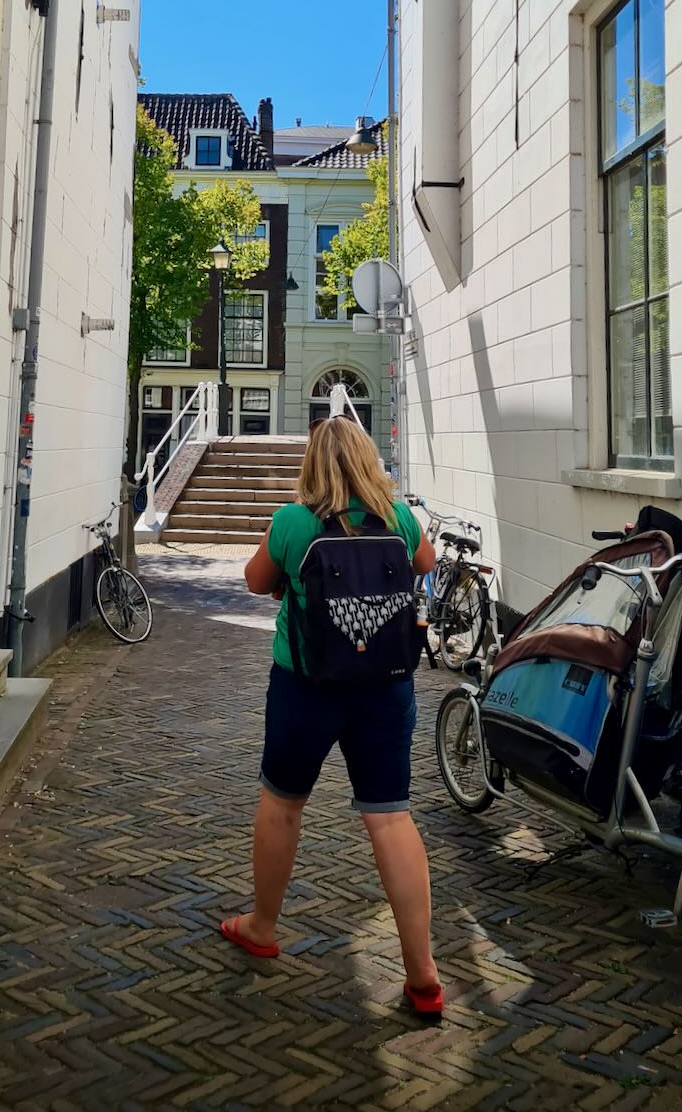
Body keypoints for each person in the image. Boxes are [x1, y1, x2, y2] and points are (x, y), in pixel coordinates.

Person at [218, 416, 443, 1018]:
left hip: (306, 686)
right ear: (368, 460)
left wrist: (295, 576)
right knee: (391, 817)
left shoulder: (294, 522)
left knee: (282, 803)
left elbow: (254, 581)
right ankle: (422, 972)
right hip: (385, 687)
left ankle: (262, 926)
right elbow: (425, 563)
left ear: (312, 464)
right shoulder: (399, 517)